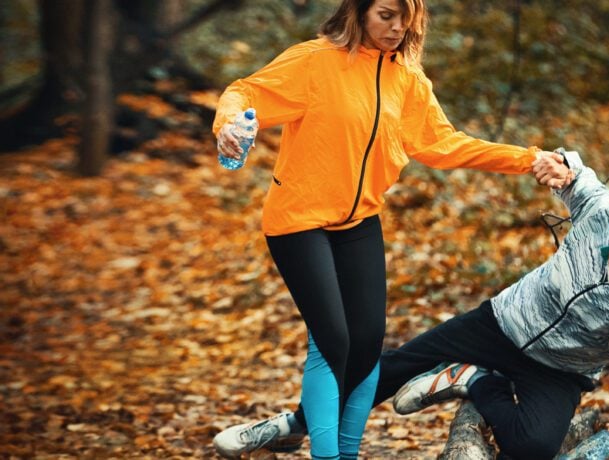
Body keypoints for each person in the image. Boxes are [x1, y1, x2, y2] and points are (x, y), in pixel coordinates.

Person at [210, 0, 570, 458]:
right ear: (358, 12)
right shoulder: (314, 61)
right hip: (298, 221)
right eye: (386, 14)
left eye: (407, 17)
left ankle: (347, 451)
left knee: (366, 344)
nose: (398, 27)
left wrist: (527, 158)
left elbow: (444, 144)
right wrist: (228, 125)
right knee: (333, 340)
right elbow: (246, 92)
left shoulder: (408, 80)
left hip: (359, 221)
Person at [375, 148, 609, 459]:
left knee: (533, 448)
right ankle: (328, 434)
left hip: (563, 367)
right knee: (393, 368)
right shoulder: (607, 212)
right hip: (506, 321)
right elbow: (576, 176)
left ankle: (476, 379)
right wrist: (563, 167)